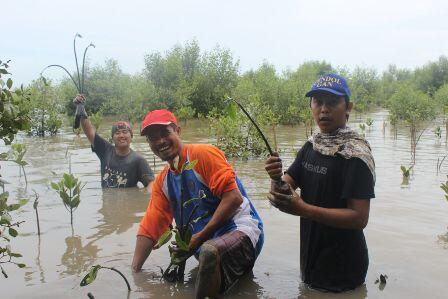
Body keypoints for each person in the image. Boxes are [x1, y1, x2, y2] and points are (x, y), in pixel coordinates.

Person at [132, 109, 264, 298]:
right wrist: (135, 274)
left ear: (178, 131)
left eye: (165, 133)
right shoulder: (163, 181)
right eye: (153, 138)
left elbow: (233, 198)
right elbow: (150, 228)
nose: (160, 141)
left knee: (210, 253)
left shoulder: (202, 154)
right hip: (203, 246)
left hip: (243, 232)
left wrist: (199, 238)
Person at [265, 74, 375, 292]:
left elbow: (359, 218)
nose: (324, 109)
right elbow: (285, 187)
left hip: (343, 270)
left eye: (332, 102)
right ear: (311, 106)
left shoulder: (355, 155)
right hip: (310, 258)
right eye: (318, 101)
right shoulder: (311, 146)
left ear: (348, 107)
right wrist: (275, 177)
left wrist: (303, 209)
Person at [73, 94, 154, 191]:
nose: (121, 136)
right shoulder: (105, 150)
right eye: (117, 133)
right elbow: (89, 131)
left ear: (131, 136)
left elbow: (151, 184)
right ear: (112, 137)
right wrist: (80, 107)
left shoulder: (139, 160)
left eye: (125, 132)